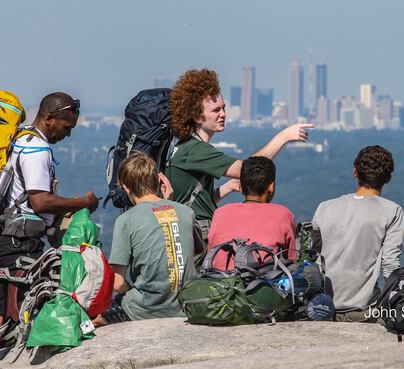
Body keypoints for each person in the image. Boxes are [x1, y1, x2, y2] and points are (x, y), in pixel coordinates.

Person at [0, 92, 99, 328]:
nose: (67, 133)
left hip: (3, 240)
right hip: (18, 244)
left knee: (4, 313)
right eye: (66, 127)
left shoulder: (22, 138)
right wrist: (83, 203)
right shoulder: (37, 149)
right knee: (22, 312)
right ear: (49, 118)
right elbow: (40, 202)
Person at [165, 69, 314, 244]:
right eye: (216, 110)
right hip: (196, 238)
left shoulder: (183, 147)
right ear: (198, 117)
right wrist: (284, 137)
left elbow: (195, 200)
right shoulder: (195, 150)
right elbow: (248, 169)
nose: (223, 114)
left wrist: (227, 187)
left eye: (224, 108)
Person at [96, 152, 202, 324]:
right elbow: (191, 253)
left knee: (91, 320)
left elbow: (117, 282)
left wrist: (130, 291)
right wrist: (169, 203)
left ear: (127, 188)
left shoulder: (126, 220)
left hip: (144, 310)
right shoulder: (186, 212)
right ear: (158, 181)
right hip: (185, 306)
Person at [312, 145, 404, 322]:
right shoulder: (392, 211)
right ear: (389, 178)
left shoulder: (325, 207)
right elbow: (390, 267)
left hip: (322, 308)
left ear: (355, 172)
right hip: (366, 310)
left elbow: (313, 257)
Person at [207, 156, 296, 270]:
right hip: (261, 283)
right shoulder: (283, 215)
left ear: (240, 187)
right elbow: (291, 259)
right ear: (271, 186)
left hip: (219, 281)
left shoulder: (220, 213)